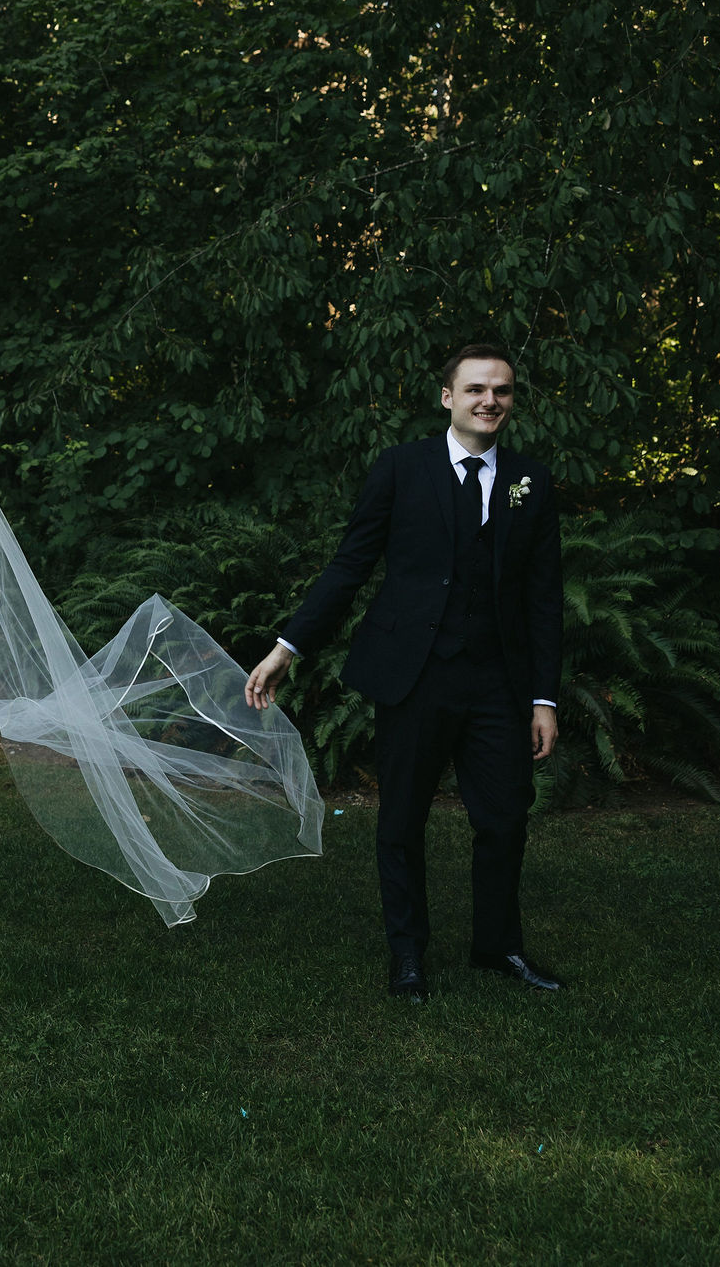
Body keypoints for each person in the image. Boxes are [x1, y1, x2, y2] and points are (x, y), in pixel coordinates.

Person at [244, 343, 564, 1000]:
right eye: (475, 388)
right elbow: (349, 567)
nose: (490, 400)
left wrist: (543, 697)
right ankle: (407, 954)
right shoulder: (400, 469)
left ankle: (498, 946)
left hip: (498, 684)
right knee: (402, 821)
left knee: (505, 819)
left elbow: (543, 597)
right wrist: (287, 648)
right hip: (414, 676)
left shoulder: (532, 482)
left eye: (501, 390)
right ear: (447, 397)